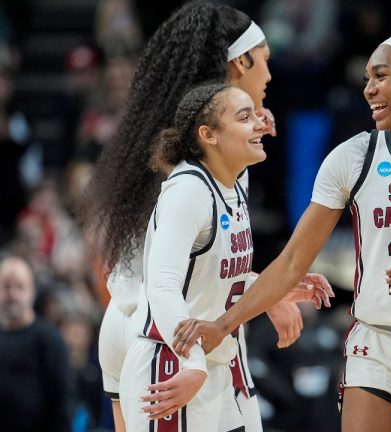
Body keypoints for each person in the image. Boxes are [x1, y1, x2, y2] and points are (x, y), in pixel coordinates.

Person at [172, 29, 391, 431]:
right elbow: (291, 263)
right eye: (367, 78)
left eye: (381, 76)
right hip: (375, 346)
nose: (368, 89)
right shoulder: (353, 156)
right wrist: (223, 324)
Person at [82, 2, 308, 431]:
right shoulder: (195, 174)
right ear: (241, 61)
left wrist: (269, 291)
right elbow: (170, 280)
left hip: (146, 323)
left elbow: (212, 264)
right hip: (163, 336)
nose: (270, 75)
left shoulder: (193, 140)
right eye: (265, 60)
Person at [119, 83, 329, 431]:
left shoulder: (228, 187)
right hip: (173, 365)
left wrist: (274, 290)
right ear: (209, 135)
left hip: (215, 364)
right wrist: (194, 363)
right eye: (245, 118)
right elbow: (162, 285)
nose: (260, 124)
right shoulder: (188, 191)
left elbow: (213, 276)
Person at [0, 254, 74, 431]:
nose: (12, 294)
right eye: (6, 286)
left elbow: (64, 402)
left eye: (20, 287)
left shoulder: (48, 338)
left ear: (32, 292)